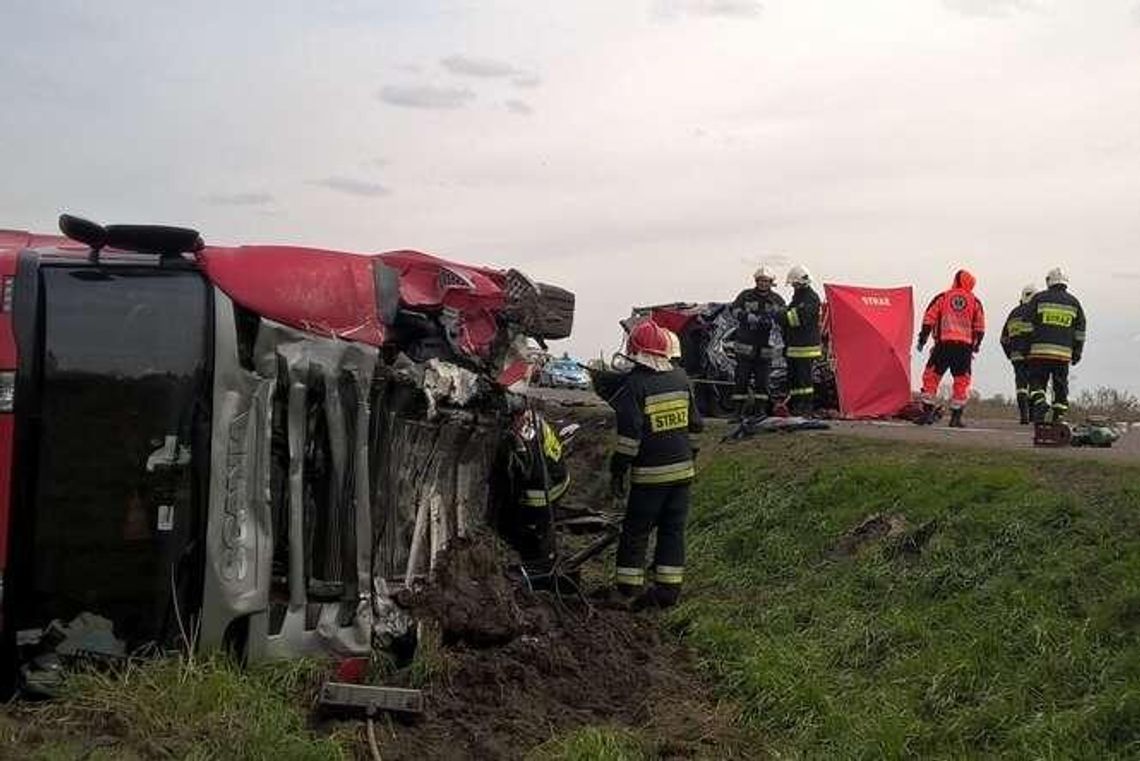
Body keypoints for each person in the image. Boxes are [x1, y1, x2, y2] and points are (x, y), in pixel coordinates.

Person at [608, 320, 703, 609]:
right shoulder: (681, 378)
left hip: (650, 477)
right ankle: (668, 591)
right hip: (683, 473)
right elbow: (696, 426)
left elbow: (629, 438)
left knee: (636, 531)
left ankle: (628, 589)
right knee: (673, 531)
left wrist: (618, 468)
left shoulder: (634, 385)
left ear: (634, 352)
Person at [917, 269, 986, 428]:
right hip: (964, 348)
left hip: (943, 345)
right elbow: (980, 326)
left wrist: (923, 338)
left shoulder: (943, 297)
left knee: (931, 377)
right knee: (961, 382)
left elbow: (929, 318)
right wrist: (976, 346)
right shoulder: (975, 301)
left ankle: (927, 413)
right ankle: (956, 418)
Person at [1026, 268, 1086, 424]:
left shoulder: (1038, 299)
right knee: (1060, 386)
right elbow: (1080, 331)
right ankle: (1058, 416)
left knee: (1036, 381)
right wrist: (1077, 352)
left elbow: (1027, 325)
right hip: (1063, 355)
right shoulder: (1074, 303)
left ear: (1049, 281)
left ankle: (1039, 404)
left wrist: (1025, 347)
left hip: (1039, 352)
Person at [730, 266, 786, 417]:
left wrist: (773, 319)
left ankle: (760, 412)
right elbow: (733, 310)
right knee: (741, 380)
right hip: (745, 348)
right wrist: (746, 316)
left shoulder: (777, 299)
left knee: (763, 382)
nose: (763, 283)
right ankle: (738, 412)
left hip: (766, 349)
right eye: (760, 281)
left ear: (771, 282)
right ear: (756, 281)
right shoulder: (745, 296)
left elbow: (784, 317)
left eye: (766, 281)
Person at [778, 265, 823, 415]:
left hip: (805, 348)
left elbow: (796, 319)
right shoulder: (799, 297)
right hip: (794, 347)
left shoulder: (810, 298)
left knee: (804, 381)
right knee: (795, 380)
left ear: (800, 283)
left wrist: (780, 315)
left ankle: (806, 407)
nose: (793, 286)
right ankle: (797, 406)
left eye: (794, 284)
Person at [1000, 284, 1037, 425]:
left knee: (1021, 385)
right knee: (1035, 384)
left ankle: (1024, 416)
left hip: (1016, 356)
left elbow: (1003, 339)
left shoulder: (1013, 313)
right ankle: (1033, 416)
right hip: (1033, 355)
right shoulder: (1036, 312)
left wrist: (1010, 353)